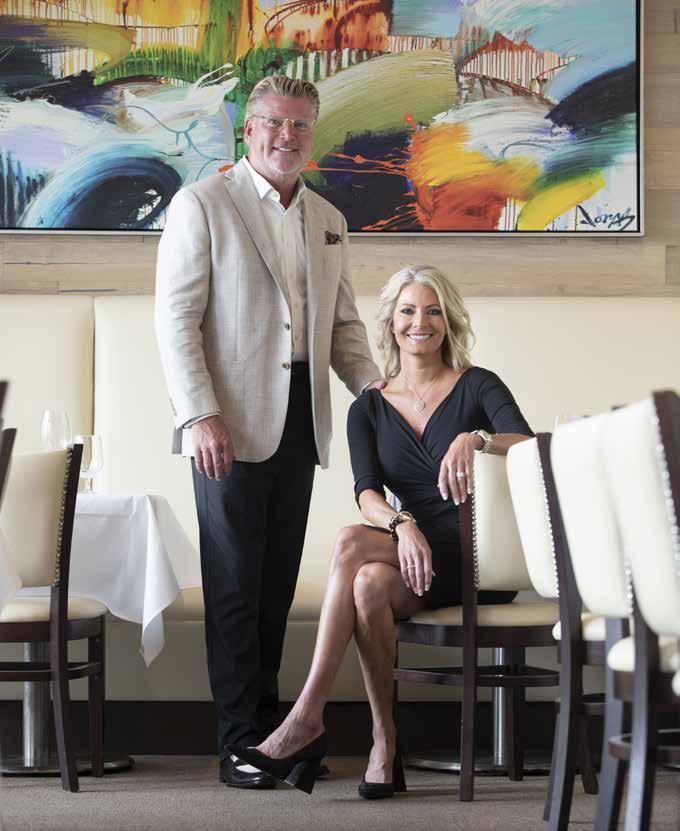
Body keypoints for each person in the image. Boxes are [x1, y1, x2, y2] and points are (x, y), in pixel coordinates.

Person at [155, 75, 381, 789]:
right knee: (233, 589)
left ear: (314, 133)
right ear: (249, 129)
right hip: (224, 423)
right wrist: (199, 414)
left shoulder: (329, 217)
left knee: (275, 585)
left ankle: (274, 735)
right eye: (275, 123)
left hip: (301, 420)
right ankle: (237, 744)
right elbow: (175, 319)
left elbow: (343, 326)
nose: (288, 136)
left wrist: (382, 397)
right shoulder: (202, 204)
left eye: (300, 125)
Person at [232, 264, 533, 797]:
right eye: (409, 310)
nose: (421, 322)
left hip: (475, 557)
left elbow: (530, 443)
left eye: (434, 311)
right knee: (368, 582)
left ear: (449, 321)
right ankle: (384, 742)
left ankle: (306, 716)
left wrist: (478, 439)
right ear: (391, 321)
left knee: (350, 543)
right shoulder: (368, 408)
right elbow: (367, 494)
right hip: (415, 557)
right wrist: (403, 525)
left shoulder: (478, 385)